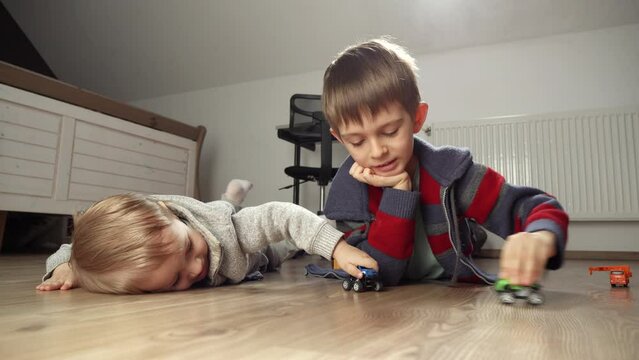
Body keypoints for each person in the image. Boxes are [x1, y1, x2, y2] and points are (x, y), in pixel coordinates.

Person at [320, 38, 569, 287]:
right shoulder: (347, 195)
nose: (377, 152)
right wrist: (398, 194)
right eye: (357, 141)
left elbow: (536, 206)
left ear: (417, 118)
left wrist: (540, 236)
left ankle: (470, 233)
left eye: (390, 132)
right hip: (394, 303)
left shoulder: (451, 173)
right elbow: (380, 272)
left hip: (452, 295)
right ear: (340, 139)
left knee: (464, 228)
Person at [36, 179, 377, 294]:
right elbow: (79, 248)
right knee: (215, 213)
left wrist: (333, 245)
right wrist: (66, 267)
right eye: (175, 280)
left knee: (283, 248)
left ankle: (232, 197)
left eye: (187, 248)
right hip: (200, 220)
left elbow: (281, 216)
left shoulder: (235, 233)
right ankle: (227, 198)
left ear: (173, 216)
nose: (196, 267)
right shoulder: (135, 260)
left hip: (239, 243)